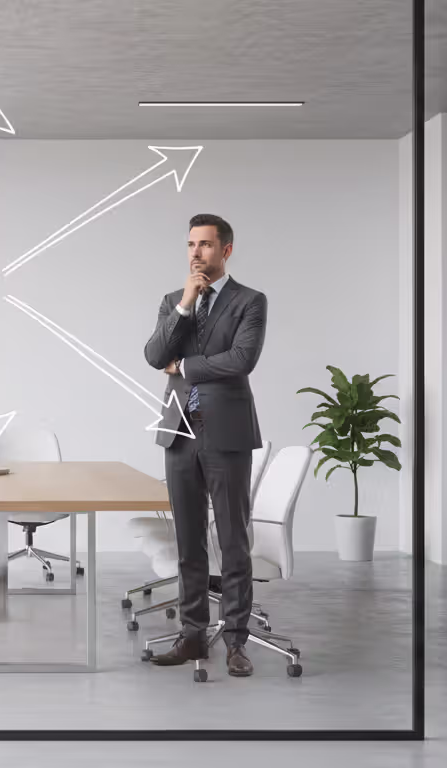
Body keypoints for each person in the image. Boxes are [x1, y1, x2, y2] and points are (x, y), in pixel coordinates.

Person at [142, 213, 267, 677]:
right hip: (179, 433)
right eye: (191, 244)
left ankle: (236, 641)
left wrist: (185, 368)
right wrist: (185, 305)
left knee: (233, 541)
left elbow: (241, 359)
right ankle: (193, 636)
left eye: (207, 245)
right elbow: (154, 355)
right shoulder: (174, 300)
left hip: (227, 432)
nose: (197, 252)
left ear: (226, 250)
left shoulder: (250, 301)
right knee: (187, 542)